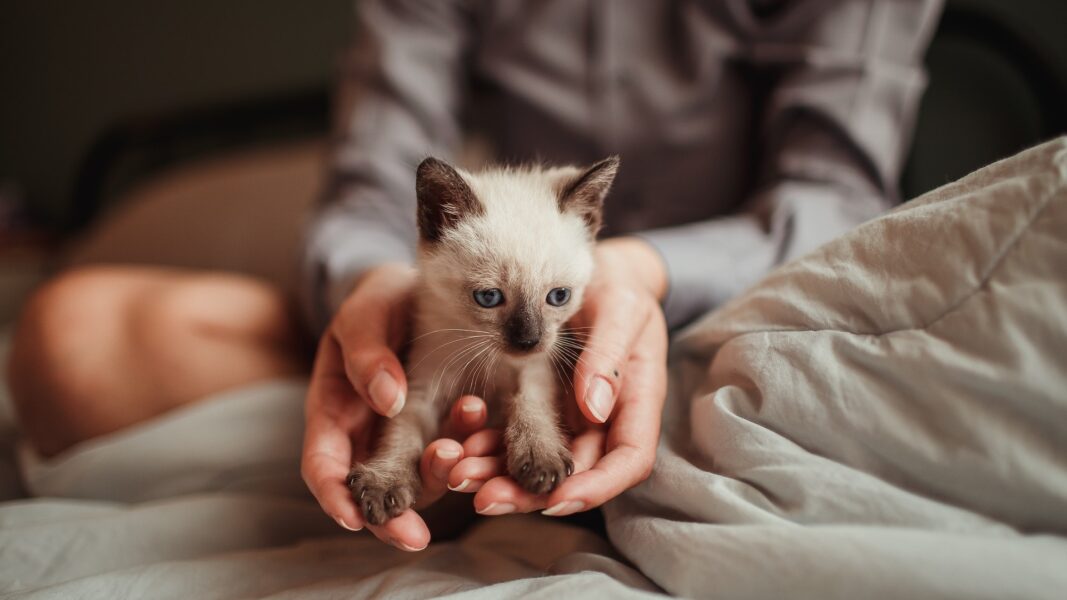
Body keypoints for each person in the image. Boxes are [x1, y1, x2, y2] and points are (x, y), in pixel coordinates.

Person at [7, 0, 941, 553]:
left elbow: (840, 203)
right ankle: (459, 470)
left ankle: (501, 477)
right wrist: (369, 289)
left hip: (718, 310)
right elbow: (374, 181)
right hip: (460, 308)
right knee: (72, 333)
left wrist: (642, 272)